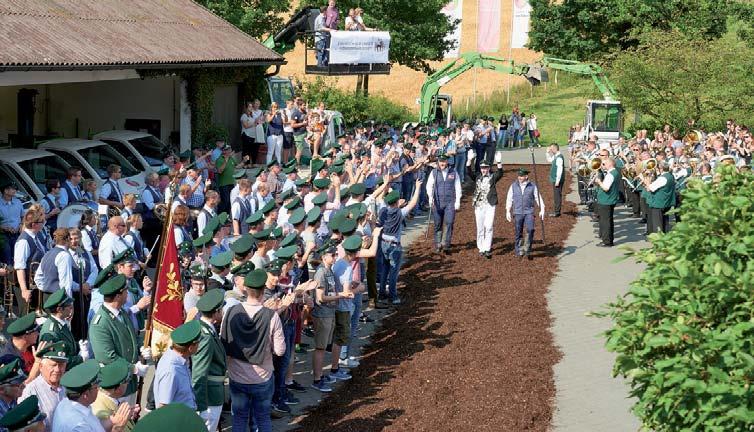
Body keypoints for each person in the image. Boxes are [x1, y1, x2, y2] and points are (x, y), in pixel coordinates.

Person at [220, 268, 287, 432]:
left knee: (239, 419)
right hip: (263, 378)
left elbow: (223, 340)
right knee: (262, 418)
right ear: (263, 290)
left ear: (246, 289)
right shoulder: (272, 316)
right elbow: (280, 351)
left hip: (237, 376)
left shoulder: (231, 311)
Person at [89, 275, 151, 406]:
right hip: (115, 386)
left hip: (129, 384)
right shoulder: (100, 323)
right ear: (118, 296)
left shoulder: (121, 312)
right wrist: (133, 368)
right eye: (125, 292)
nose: (127, 294)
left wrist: (140, 349)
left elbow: (130, 336)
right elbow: (107, 357)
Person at [53, 359, 131, 432]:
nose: (98, 389)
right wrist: (118, 427)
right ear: (86, 395)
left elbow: (95, 426)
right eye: (95, 387)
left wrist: (114, 420)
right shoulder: (78, 426)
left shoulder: (68, 403)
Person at [192, 290, 227, 432]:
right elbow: (199, 374)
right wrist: (201, 407)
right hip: (210, 397)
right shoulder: (205, 336)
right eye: (221, 309)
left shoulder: (206, 329)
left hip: (212, 392)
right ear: (217, 312)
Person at [18, 342, 67, 430]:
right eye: (53, 365)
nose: (57, 369)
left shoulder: (67, 387)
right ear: (41, 366)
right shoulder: (30, 391)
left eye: (61, 365)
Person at [154, 321, 200, 410]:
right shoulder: (171, 371)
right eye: (198, 342)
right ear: (190, 348)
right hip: (178, 421)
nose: (199, 344)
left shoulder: (180, 359)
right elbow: (163, 407)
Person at [38, 290, 89, 370]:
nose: (71, 308)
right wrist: (81, 358)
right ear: (59, 309)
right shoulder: (51, 332)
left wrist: (79, 346)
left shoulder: (61, 323)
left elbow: (67, 344)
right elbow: (56, 360)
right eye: (69, 306)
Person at [505, 168, 545, 259]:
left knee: (530, 229)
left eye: (522, 176)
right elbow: (509, 199)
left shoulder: (532, 186)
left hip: (529, 212)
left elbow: (538, 198)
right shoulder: (513, 186)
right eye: (519, 176)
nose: (520, 177)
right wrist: (507, 210)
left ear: (526, 176)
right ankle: (519, 250)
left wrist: (542, 209)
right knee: (518, 232)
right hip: (518, 212)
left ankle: (527, 248)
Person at [426, 154, 461, 254]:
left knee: (449, 222)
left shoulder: (453, 172)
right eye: (440, 161)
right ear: (438, 162)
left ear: (447, 162)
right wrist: (430, 198)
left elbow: (458, 187)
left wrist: (457, 200)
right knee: (438, 224)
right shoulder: (434, 172)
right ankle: (438, 243)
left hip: (449, 202)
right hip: (437, 202)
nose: (442, 163)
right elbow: (429, 186)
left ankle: (446, 243)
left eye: (444, 161)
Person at [469, 160, 504, 258]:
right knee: (480, 228)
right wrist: (469, 161)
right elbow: (469, 173)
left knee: (489, 226)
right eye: (482, 168)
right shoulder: (477, 177)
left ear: (489, 168)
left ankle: (487, 248)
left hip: (490, 205)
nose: (484, 170)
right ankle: (481, 248)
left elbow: (500, 173)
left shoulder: (492, 177)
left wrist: (499, 162)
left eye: (486, 168)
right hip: (479, 205)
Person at [90, 359, 137, 432]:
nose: (128, 383)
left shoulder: (108, 399)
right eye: (127, 381)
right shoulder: (102, 415)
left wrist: (129, 417)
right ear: (118, 389)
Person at [14, 210, 47, 311]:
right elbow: (20, 267)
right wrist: (24, 290)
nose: (44, 223)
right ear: (34, 224)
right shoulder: (24, 241)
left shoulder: (37, 236)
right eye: (42, 221)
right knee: (27, 317)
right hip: (28, 286)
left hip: (38, 283)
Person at [34, 228, 79, 302]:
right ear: (68, 239)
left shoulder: (47, 253)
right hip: (59, 299)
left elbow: (37, 278)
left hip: (46, 298)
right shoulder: (64, 255)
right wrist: (68, 303)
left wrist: (47, 288)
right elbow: (65, 284)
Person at [593, 157, 620, 246]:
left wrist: (599, 182)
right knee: (608, 221)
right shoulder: (614, 172)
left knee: (605, 222)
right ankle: (608, 240)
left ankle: (607, 241)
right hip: (609, 200)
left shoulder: (611, 174)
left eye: (604, 164)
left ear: (610, 164)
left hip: (606, 201)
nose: (603, 165)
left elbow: (606, 188)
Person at [643, 161, 676, 234]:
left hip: (658, 203)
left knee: (658, 225)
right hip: (666, 202)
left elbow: (650, 188)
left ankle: (659, 240)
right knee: (665, 223)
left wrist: (646, 179)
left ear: (661, 169)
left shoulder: (662, 178)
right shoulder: (670, 176)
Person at [0, 183, 24, 265]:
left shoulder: (18, 202)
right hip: (3, 235)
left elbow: (23, 216)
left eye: (15, 189)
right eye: (12, 189)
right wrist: (3, 228)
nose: (15, 191)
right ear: (5, 190)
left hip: (17, 233)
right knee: (7, 256)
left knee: (18, 257)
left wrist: (21, 225)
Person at [215, 144, 237, 214]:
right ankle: (219, 216)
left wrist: (244, 161)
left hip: (231, 183)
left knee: (230, 201)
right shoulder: (219, 159)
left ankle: (226, 216)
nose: (230, 150)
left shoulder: (231, 158)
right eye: (228, 149)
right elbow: (220, 171)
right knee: (225, 201)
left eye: (230, 149)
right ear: (224, 151)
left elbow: (237, 166)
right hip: (223, 184)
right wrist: (226, 160)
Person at [547, 143, 565, 217]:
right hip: (555, 179)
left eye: (551, 149)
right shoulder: (555, 156)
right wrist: (547, 153)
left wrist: (557, 181)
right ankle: (557, 211)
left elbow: (560, 170)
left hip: (558, 180)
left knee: (557, 195)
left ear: (555, 149)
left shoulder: (559, 157)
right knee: (556, 195)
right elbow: (549, 160)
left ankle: (557, 212)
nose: (550, 150)